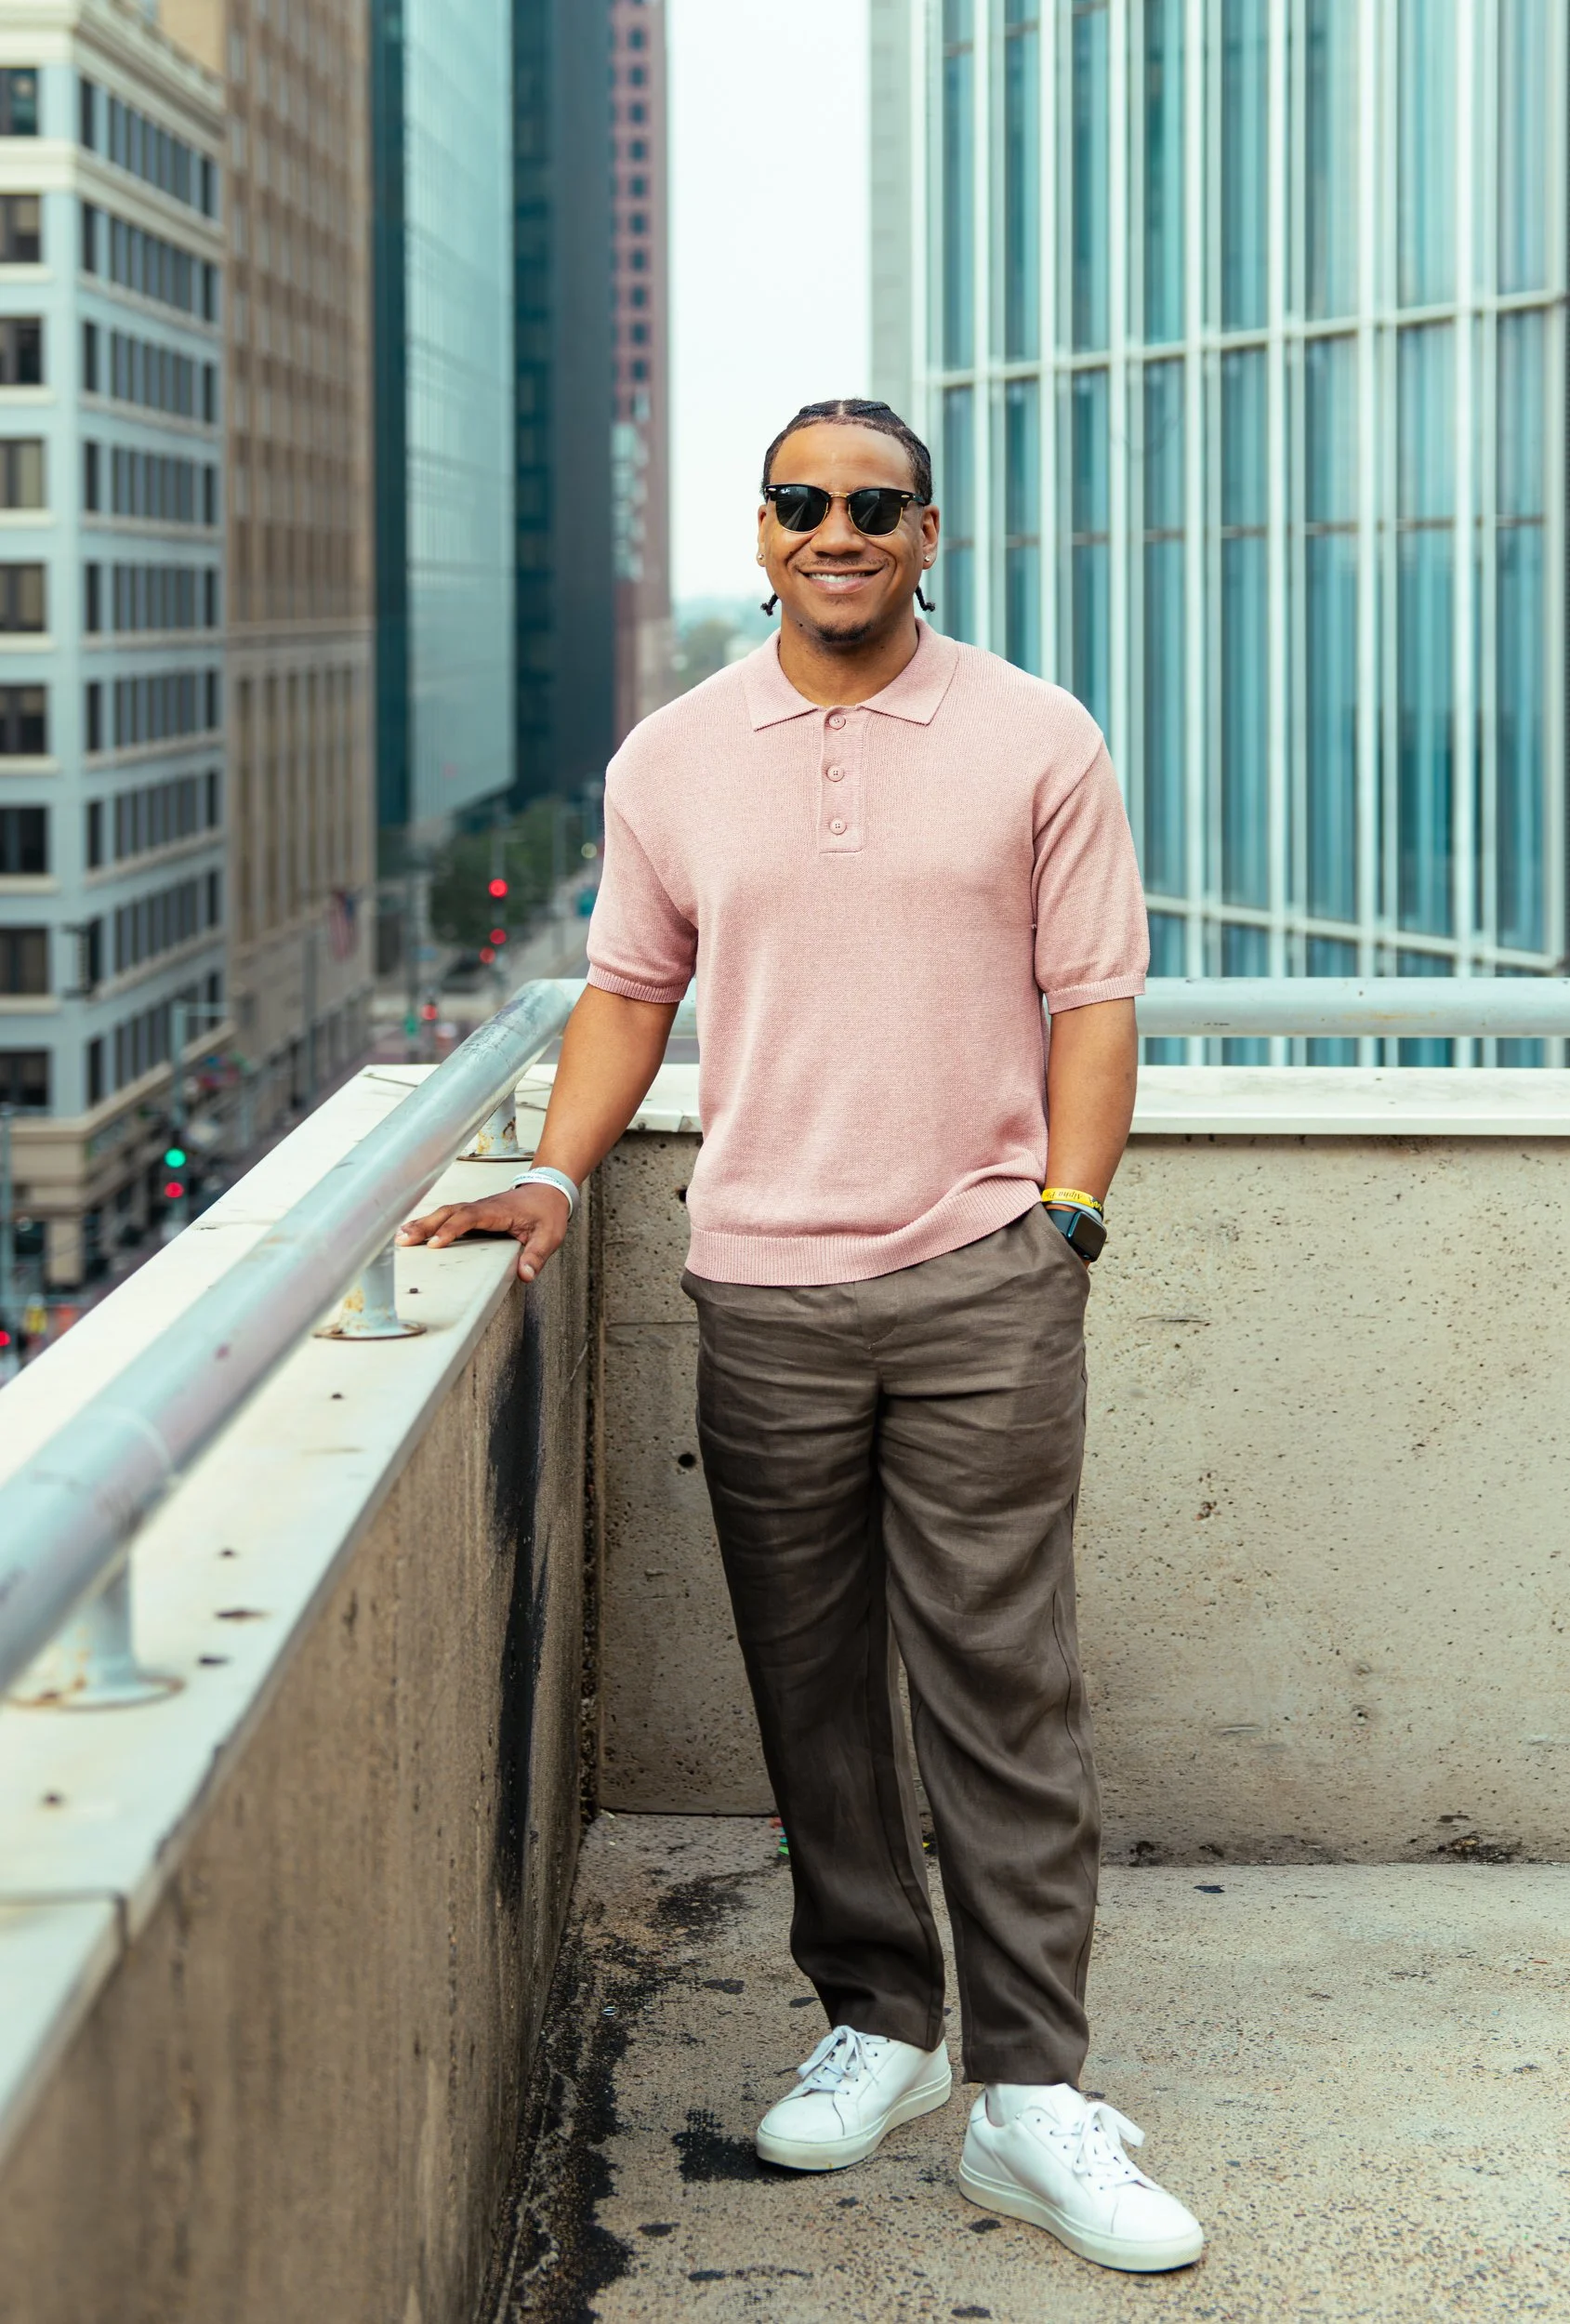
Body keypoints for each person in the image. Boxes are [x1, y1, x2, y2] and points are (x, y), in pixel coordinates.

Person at [400, 398, 1206, 2276]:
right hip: (756, 1285)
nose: (831, 529)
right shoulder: (675, 755)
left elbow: (1094, 999)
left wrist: (1065, 1217)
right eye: (796, 504)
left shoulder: (1034, 735)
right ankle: (886, 2019)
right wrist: (548, 1176)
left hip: (984, 1277)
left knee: (1001, 1681)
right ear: (759, 535)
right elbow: (623, 989)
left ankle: (1028, 2090)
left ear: (929, 533)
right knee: (813, 1681)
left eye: (871, 505)